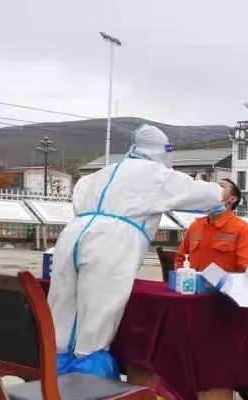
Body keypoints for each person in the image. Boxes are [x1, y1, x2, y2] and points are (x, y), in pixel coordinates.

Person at [49, 124, 226, 378]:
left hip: (71, 238)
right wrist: (223, 190)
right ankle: (85, 396)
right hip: (111, 243)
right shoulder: (155, 175)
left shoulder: (99, 174)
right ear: (163, 151)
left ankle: (51, 386)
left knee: (62, 312)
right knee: (97, 321)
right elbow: (203, 194)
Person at [175, 178, 248, 273]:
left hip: (224, 287)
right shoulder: (195, 226)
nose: (214, 189)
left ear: (232, 199)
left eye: (221, 187)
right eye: (213, 186)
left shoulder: (243, 229)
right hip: (193, 286)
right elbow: (180, 258)